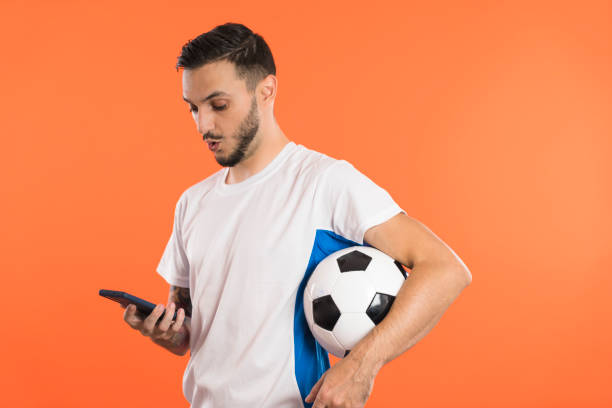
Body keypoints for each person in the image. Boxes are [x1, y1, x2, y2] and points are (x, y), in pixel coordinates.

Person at [122, 22, 472, 408]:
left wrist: (362, 366)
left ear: (266, 91)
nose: (204, 125)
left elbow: (445, 270)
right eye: (193, 108)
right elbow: (191, 330)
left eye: (218, 105)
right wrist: (170, 333)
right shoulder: (193, 203)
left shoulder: (323, 182)